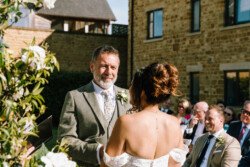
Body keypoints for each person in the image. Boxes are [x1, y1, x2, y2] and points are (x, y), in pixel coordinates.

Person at [57, 45, 131, 166]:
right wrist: (97, 151)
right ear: (92, 67)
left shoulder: (129, 97)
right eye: (104, 66)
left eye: (113, 67)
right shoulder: (75, 97)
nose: (109, 72)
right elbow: (65, 140)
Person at [103, 62, 188, 167]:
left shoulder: (126, 122)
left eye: (132, 85)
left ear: (142, 92)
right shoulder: (174, 123)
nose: (129, 90)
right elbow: (175, 165)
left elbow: (108, 165)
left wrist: (101, 151)